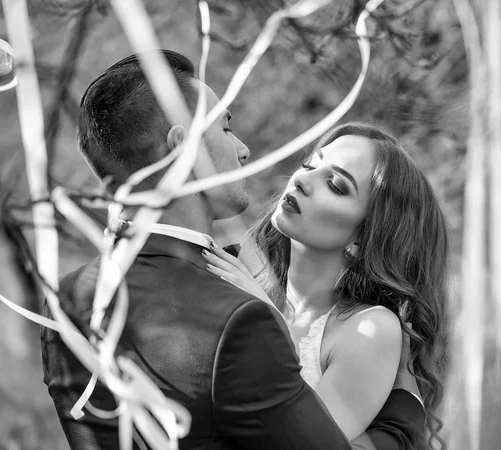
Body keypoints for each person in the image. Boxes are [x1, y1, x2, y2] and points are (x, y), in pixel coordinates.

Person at [40, 51, 425, 449]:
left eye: (337, 184)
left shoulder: (66, 300)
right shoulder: (239, 318)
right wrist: (404, 416)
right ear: (182, 149)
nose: (243, 150)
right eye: (225, 128)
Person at [201, 123, 448, 449]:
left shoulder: (370, 329)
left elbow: (301, 442)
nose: (301, 180)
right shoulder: (235, 275)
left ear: (362, 237)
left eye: (335, 185)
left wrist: (265, 319)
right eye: (309, 166)